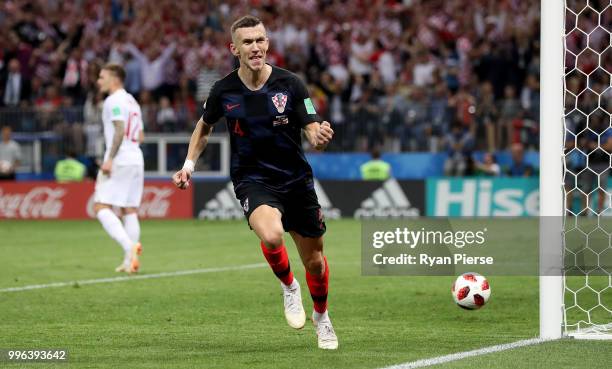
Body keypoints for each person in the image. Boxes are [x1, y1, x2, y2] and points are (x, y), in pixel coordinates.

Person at [172, 15, 338, 350]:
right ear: (233, 48)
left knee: (316, 263)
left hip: (296, 181)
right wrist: (189, 165)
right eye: (247, 42)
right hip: (253, 179)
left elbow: (310, 125)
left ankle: (322, 318)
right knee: (272, 234)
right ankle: (289, 287)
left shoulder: (291, 84)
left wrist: (318, 135)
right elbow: (204, 127)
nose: (256, 47)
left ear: (267, 43)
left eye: (260, 40)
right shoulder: (223, 90)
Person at [93, 64, 145, 274]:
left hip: (120, 158)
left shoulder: (113, 100)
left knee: (100, 206)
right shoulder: (132, 101)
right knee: (129, 209)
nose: (98, 81)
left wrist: (110, 159)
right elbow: (140, 135)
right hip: (135, 158)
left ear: (114, 79)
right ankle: (129, 262)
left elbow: (119, 129)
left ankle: (128, 247)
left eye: (102, 77)